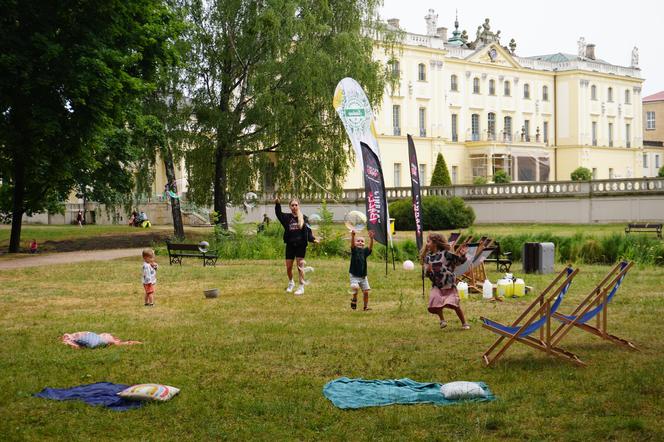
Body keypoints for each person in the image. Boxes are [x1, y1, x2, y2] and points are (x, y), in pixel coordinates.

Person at [420, 233, 470, 330]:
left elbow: (458, 261)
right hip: (437, 285)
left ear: (435, 243)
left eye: (428, 241)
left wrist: (463, 255)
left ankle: (464, 323)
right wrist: (429, 271)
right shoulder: (428, 258)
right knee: (436, 301)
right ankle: (442, 320)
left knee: (455, 304)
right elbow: (427, 274)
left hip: (448, 284)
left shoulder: (445, 254)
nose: (426, 244)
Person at [275, 198, 318, 295]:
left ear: (299, 206)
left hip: (301, 245)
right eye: (292, 205)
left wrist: (313, 239)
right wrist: (277, 203)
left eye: (296, 205)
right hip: (290, 245)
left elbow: (309, 233)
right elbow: (278, 214)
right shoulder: (287, 217)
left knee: (300, 267)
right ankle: (291, 283)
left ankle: (301, 287)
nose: (294, 207)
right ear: (290, 207)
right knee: (289, 267)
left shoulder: (304, 218)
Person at [349, 229, 374, 311]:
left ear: (364, 244)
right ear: (355, 243)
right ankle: (354, 299)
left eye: (362, 241)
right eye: (358, 241)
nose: (360, 242)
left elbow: (370, 248)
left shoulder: (365, 251)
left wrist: (371, 239)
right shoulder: (354, 250)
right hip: (354, 275)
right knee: (355, 287)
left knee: (366, 292)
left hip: (363, 276)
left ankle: (365, 307)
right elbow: (352, 245)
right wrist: (353, 236)